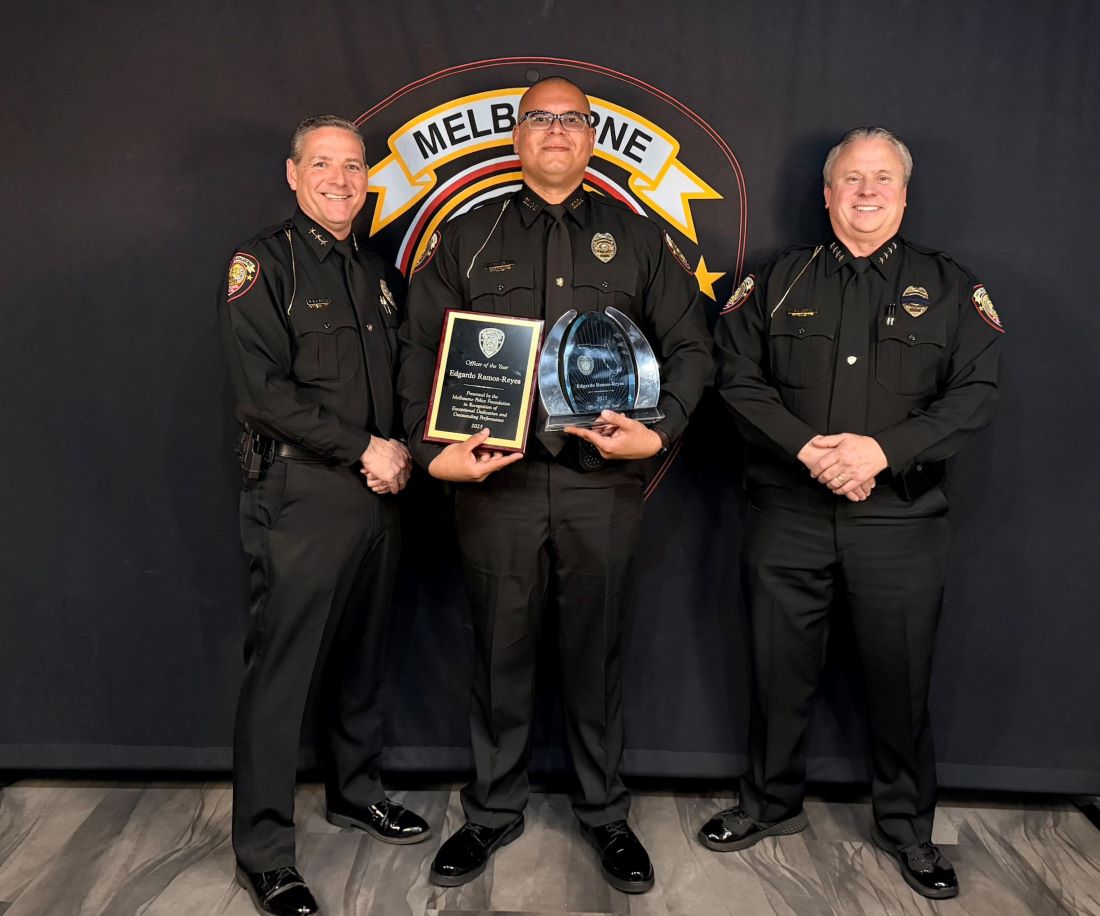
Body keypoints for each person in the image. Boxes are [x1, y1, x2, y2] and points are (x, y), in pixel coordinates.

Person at [398, 77, 711, 894]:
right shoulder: (464, 238)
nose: (558, 132)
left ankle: (605, 815)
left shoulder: (638, 240)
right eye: (541, 119)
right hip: (493, 487)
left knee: (594, 653)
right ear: (518, 136)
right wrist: (434, 453)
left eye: (572, 120)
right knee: (497, 651)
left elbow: (692, 348)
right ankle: (491, 812)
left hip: (597, 488)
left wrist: (663, 426)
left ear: (592, 137)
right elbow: (415, 359)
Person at [701, 127, 1003, 900]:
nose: (867, 192)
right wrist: (811, 451)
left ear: (904, 194)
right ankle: (770, 804)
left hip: (900, 521)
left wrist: (880, 452)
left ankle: (906, 828)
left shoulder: (950, 287)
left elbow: (974, 396)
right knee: (777, 671)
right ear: (827, 193)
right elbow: (737, 380)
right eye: (852, 179)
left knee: (901, 683)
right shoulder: (774, 281)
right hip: (788, 513)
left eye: (882, 179)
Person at [218, 115, 430, 916]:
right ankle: (266, 853)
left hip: (380, 493)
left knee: (363, 656)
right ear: (292, 172)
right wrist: (364, 449)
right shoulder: (261, 265)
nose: (341, 180)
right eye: (324, 165)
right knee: (281, 677)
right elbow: (262, 395)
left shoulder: (374, 272)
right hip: (303, 494)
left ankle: (356, 790)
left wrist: (407, 448)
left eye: (353, 166)